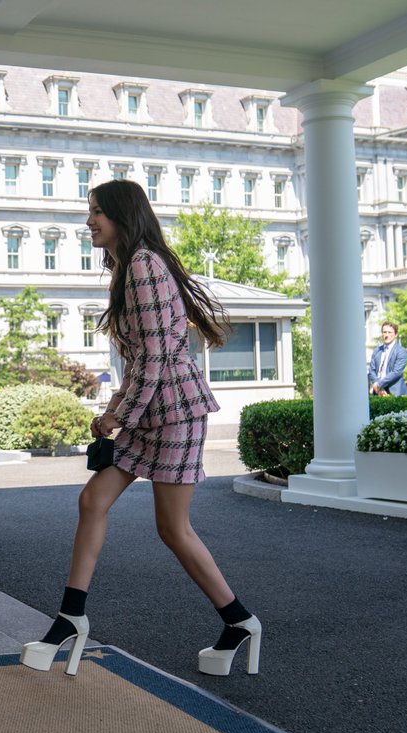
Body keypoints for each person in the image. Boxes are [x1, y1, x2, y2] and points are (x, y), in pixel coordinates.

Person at [21, 180, 260, 679]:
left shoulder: (145, 265)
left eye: (97, 213)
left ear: (122, 216)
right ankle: (71, 617)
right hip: (147, 408)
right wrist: (116, 404)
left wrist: (117, 418)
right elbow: (140, 359)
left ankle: (239, 622)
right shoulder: (129, 268)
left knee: (173, 529)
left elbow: (155, 357)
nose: (89, 221)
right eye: (89, 212)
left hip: (174, 411)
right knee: (92, 501)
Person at [368, 322, 407, 397]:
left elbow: (396, 372)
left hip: (395, 393)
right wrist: (377, 387)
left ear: (395, 334)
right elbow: (371, 371)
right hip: (377, 392)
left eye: (390, 332)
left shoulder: (401, 351)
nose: (387, 335)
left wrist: (379, 384)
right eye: (384, 332)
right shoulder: (377, 351)